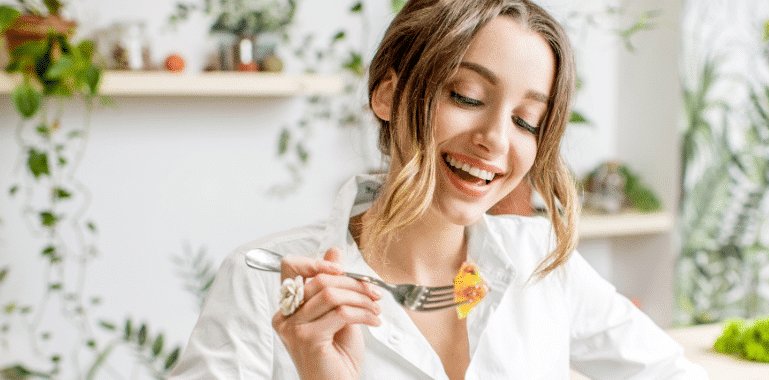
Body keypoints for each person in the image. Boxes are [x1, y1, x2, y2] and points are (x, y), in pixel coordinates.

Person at [169, 0, 708, 379]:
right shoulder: (264, 281)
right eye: (467, 96)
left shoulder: (542, 262)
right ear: (388, 96)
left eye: (527, 121)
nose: (495, 140)